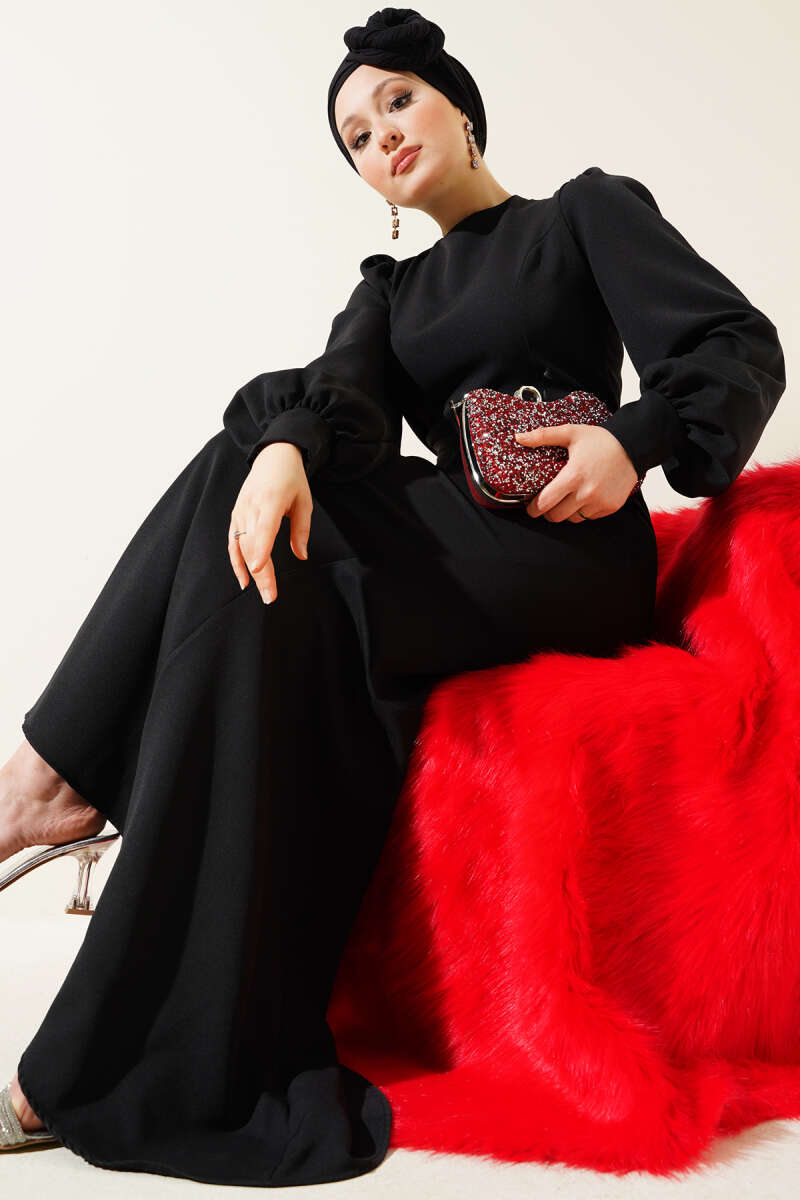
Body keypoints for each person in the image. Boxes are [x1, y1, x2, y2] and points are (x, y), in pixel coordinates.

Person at [0, 5, 785, 1186]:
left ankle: (50, 778)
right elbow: (342, 403)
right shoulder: (388, 291)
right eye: (356, 136)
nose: (381, 136)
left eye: (396, 102)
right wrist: (285, 446)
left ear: (458, 108)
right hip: (444, 560)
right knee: (252, 591)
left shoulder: (579, 214)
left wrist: (630, 441)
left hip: (569, 559)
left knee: (257, 520)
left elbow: (730, 341)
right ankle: (106, 1057)